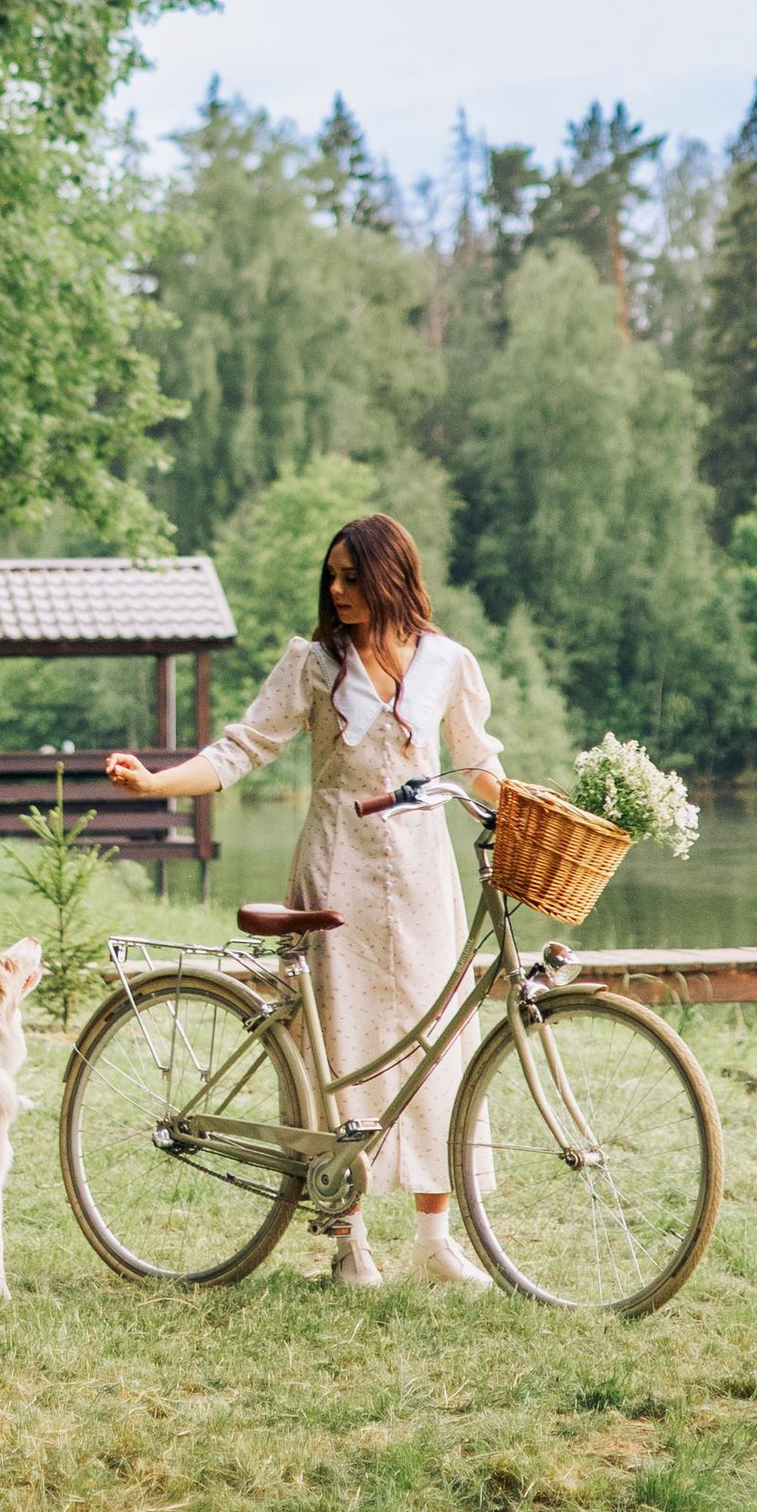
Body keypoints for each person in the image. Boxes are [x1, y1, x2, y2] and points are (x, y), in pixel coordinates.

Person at [107, 513, 503, 1288]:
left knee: (435, 1042)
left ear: (393, 577)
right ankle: (348, 1242)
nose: (337, 590)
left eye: (353, 576)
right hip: (339, 867)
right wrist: (156, 782)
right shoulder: (314, 664)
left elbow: (479, 763)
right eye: (332, 576)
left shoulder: (447, 663)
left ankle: (434, 1239)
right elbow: (240, 748)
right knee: (342, 1047)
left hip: (424, 873)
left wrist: (532, 808)